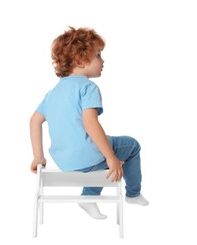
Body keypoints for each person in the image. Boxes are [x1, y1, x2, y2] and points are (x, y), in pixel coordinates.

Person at [30, 26, 148, 220]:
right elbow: (90, 124)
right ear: (81, 60)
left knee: (98, 153)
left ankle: (89, 196)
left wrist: (38, 157)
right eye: (98, 55)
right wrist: (110, 157)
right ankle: (133, 194)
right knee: (131, 145)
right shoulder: (88, 87)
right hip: (89, 159)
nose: (103, 61)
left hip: (65, 162)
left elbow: (34, 121)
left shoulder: (52, 93)